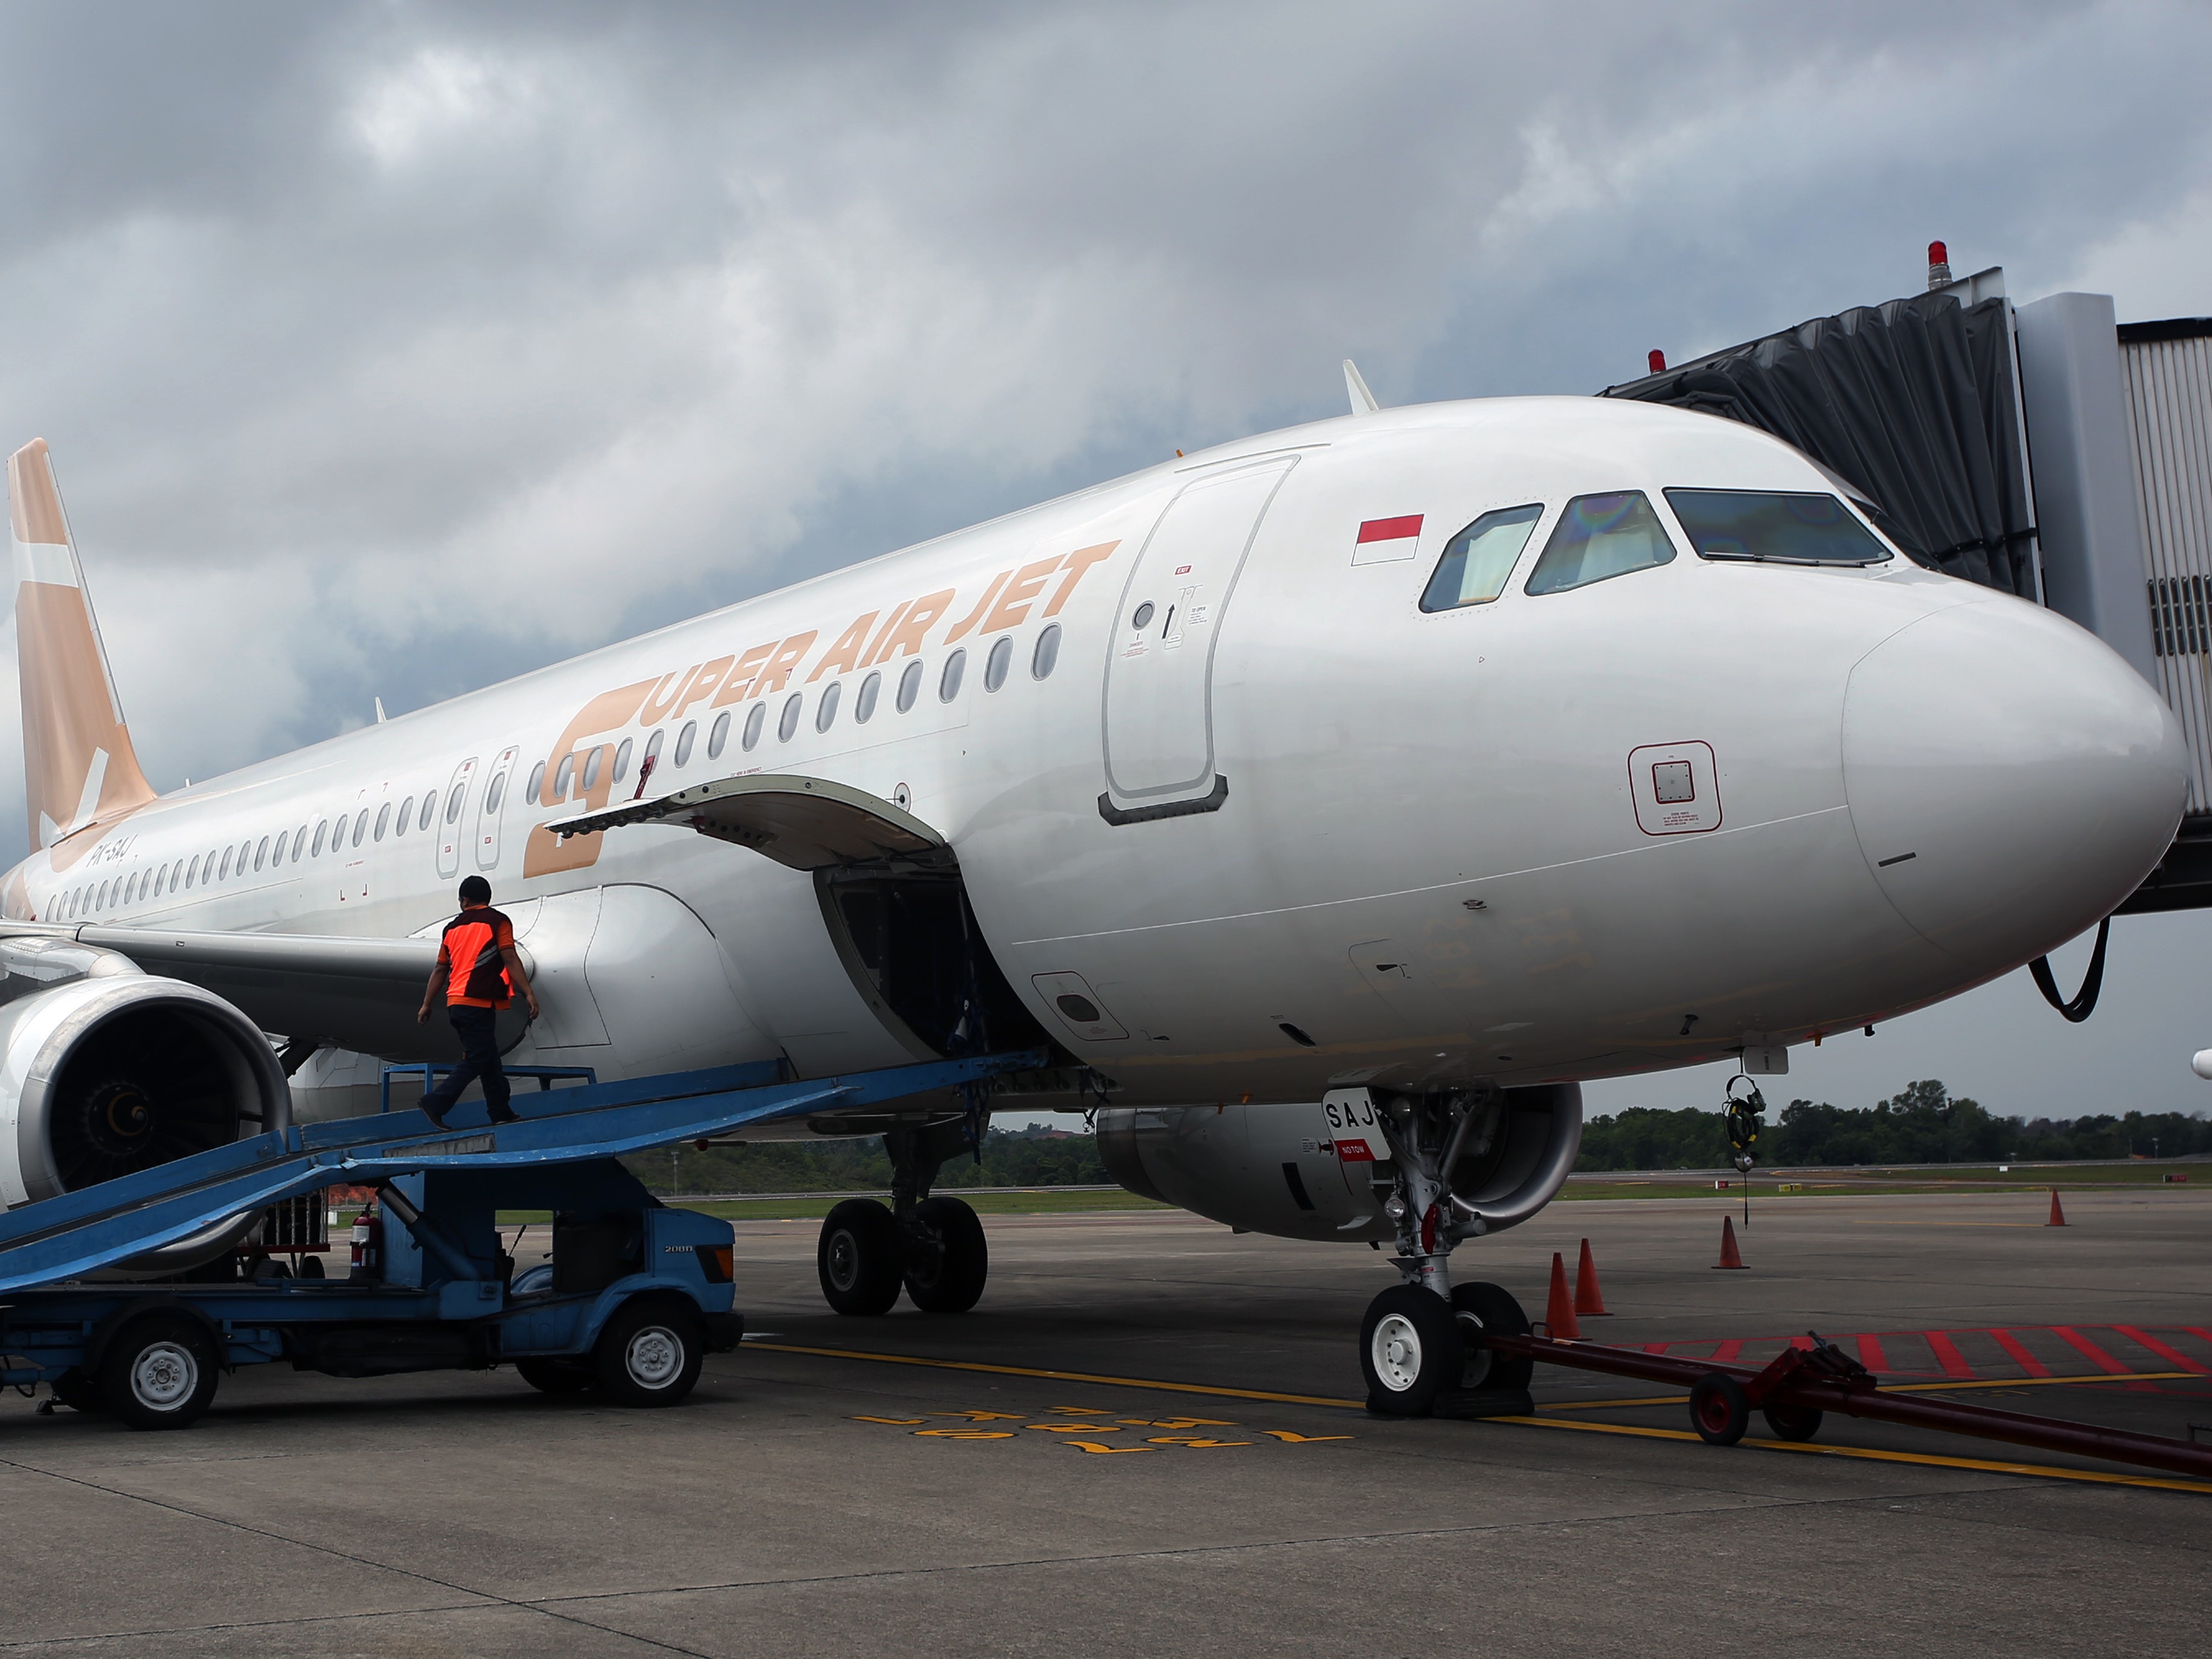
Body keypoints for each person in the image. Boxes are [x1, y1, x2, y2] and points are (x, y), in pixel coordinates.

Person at [415, 875, 540, 1128]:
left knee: (489, 1059)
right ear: (488, 898)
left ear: (465, 900)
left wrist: (427, 1003)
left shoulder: (451, 928)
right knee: (478, 1058)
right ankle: (435, 1102)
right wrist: (527, 992)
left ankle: (500, 1112)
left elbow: (440, 970)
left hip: (456, 1003)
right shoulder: (498, 921)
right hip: (478, 1003)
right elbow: (510, 958)